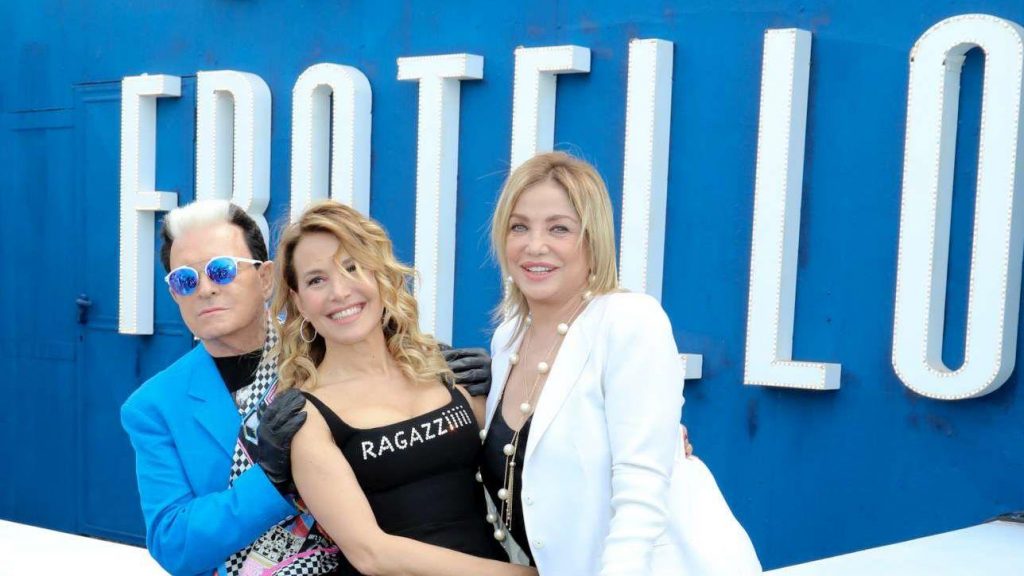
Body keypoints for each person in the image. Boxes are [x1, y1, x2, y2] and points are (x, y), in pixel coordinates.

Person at [120, 199, 493, 576]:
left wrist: (465, 375)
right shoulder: (154, 406)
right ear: (174, 294)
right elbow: (173, 543)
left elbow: (392, 368)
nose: (205, 290)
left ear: (265, 278)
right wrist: (268, 480)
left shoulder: (330, 341)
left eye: (221, 270)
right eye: (185, 279)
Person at [480, 151, 762, 574]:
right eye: (519, 226)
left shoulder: (629, 321)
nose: (535, 245)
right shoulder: (508, 340)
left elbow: (641, 493)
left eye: (559, 228)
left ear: (592, 240)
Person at [266, 200, 536, 576]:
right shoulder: (306, 417)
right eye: (316, 280)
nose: (339, 291)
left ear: (381, 274)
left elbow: (526, 471)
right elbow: (372, 553)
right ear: (299, 302)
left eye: (352, 266)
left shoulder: (446, 373)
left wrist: (509, 384)